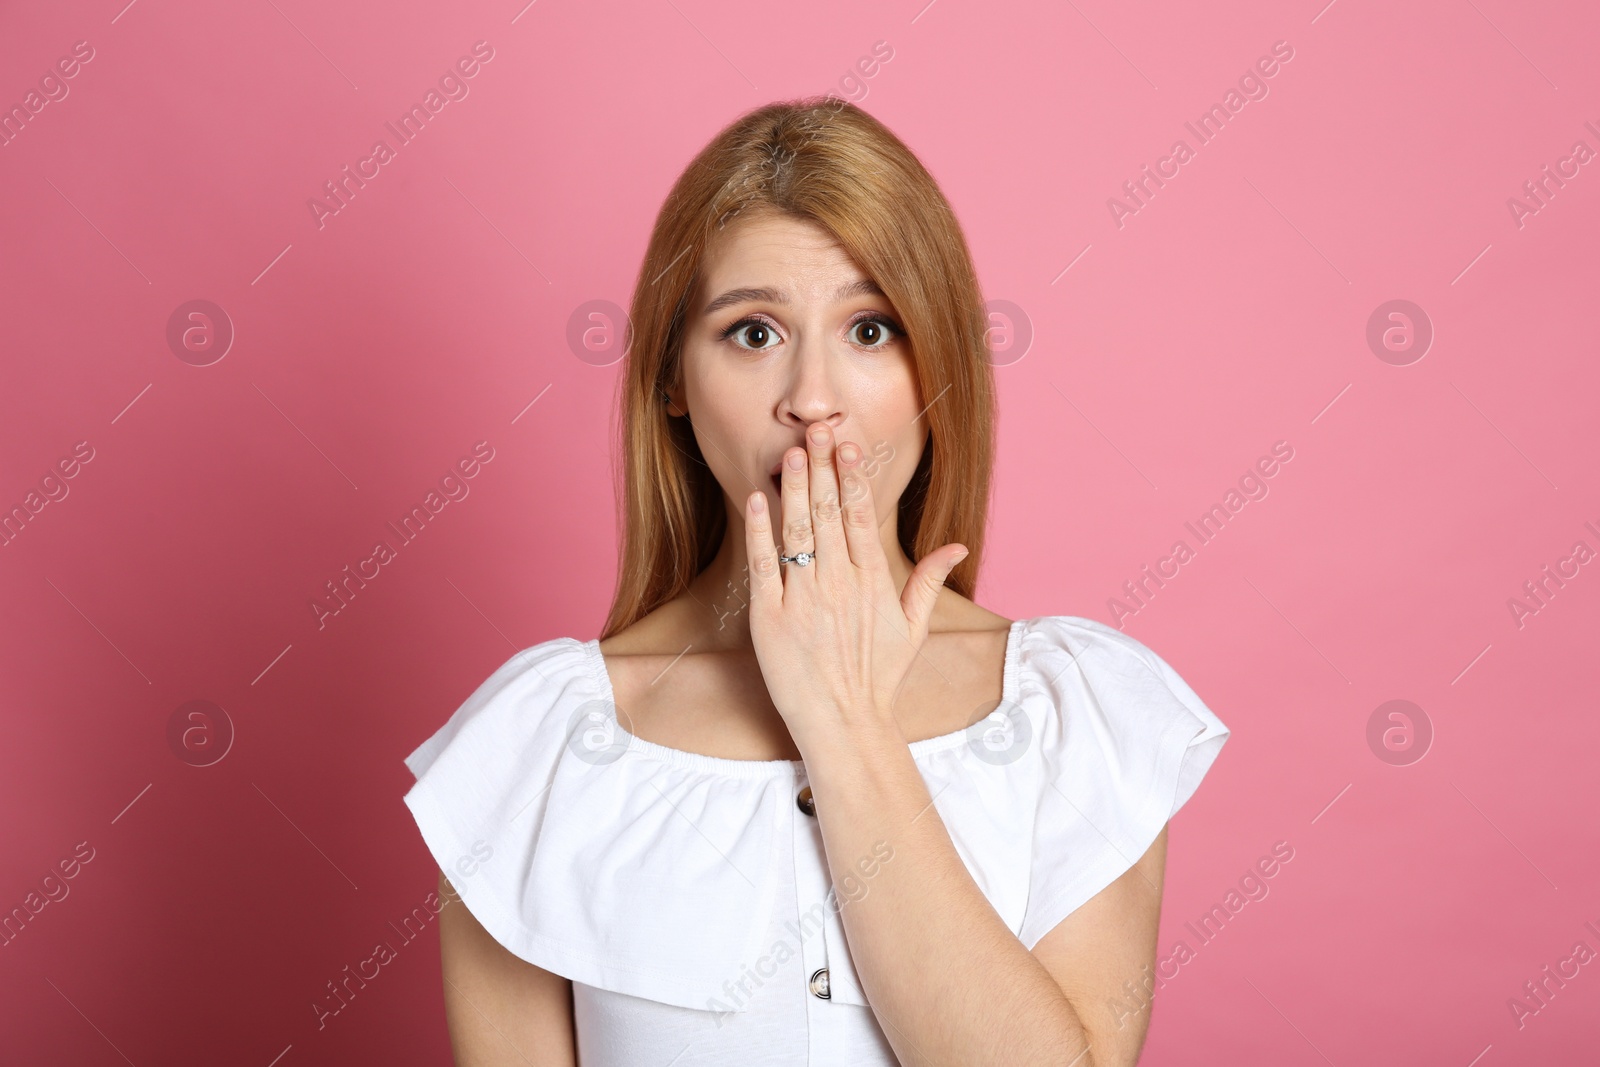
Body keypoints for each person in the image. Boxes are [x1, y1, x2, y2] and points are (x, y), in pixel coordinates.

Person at [402, 96, 1229, 1066]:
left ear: (939, 367)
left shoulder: (1072, 715)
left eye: (870, 329)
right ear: (673, 378)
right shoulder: (532, 754)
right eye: (753, 332)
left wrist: (839, 714)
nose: (811, 399)